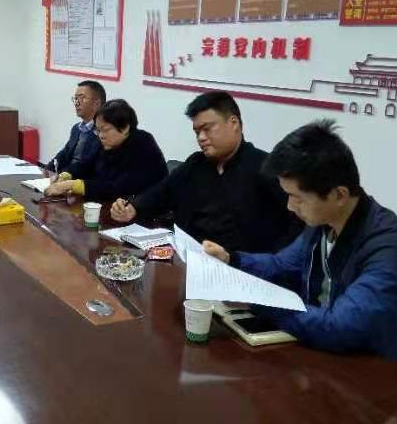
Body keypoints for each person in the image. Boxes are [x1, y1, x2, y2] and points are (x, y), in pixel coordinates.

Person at [203, 120, 397, 360]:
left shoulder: (386, 246)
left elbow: (339, 327)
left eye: (298, 198)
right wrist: (231, 260)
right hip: (317, 353)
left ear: (339, 194)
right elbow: (282, 265)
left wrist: (260, 304)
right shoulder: (323, 223)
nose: (290, 206)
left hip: (367, 369)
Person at [111, 91, 299, 253]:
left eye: (207, 129)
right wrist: (133, 208)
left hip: (239, 267)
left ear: (233, 123)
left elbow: (296, 227)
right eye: (197, 132)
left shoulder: (266, 168)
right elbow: (163, 192)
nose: (201, 138)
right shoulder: (196, 163)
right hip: (187, 256)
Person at [45, 99, 167, 202]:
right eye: (98, 130)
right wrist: (67, 174)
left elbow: (118, 188)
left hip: (143, 213)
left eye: (106, 130)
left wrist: (73, 185)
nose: (101, 135)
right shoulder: (107, 142)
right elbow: (85, 164)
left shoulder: (143, 144)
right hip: (108, 205)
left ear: (125, 127)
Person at [46, 80, 106, 177]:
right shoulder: (77, 128)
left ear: (96, 103)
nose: (77, 103)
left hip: (83, 181)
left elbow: (87, 165)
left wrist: (63, 175)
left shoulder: (104, 132)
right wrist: (49, 168)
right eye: (75, 98)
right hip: (66, 177)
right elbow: (64, 153)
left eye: (82, 98)